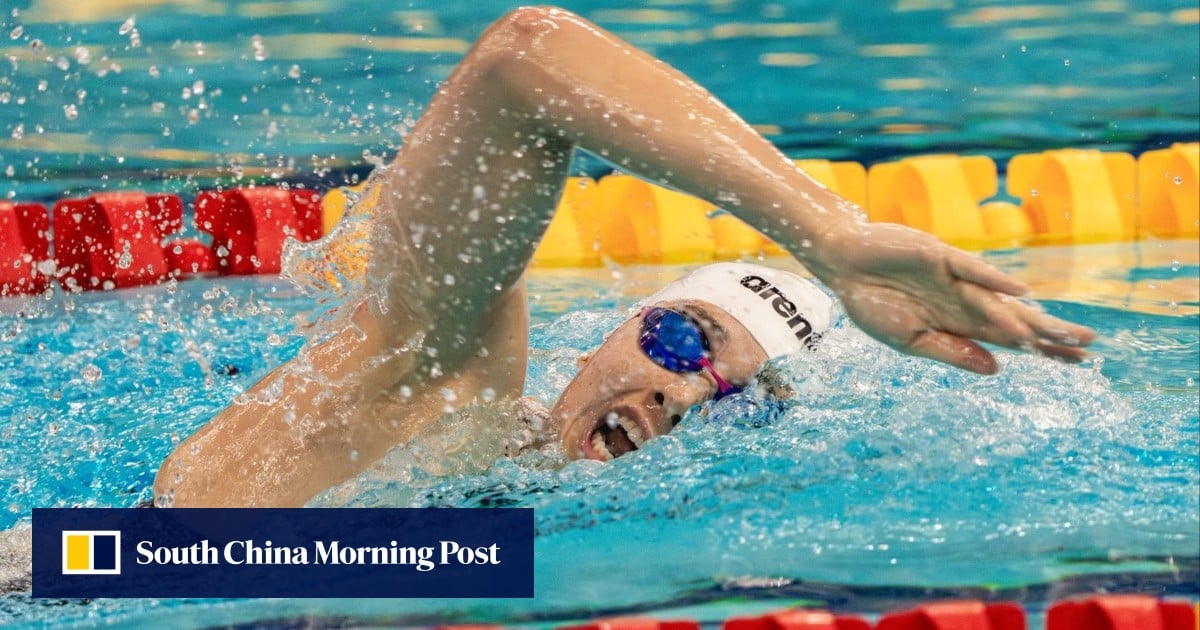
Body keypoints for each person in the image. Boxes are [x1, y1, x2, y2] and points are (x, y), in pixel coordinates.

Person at [152, 6, 1094, 508]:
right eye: (684, 341)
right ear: (615, 329)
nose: (680, 394)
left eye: (738, 403)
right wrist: (831, 238)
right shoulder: (441, 387)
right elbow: (524, 58)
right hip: (103, 569)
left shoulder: (528, 547)